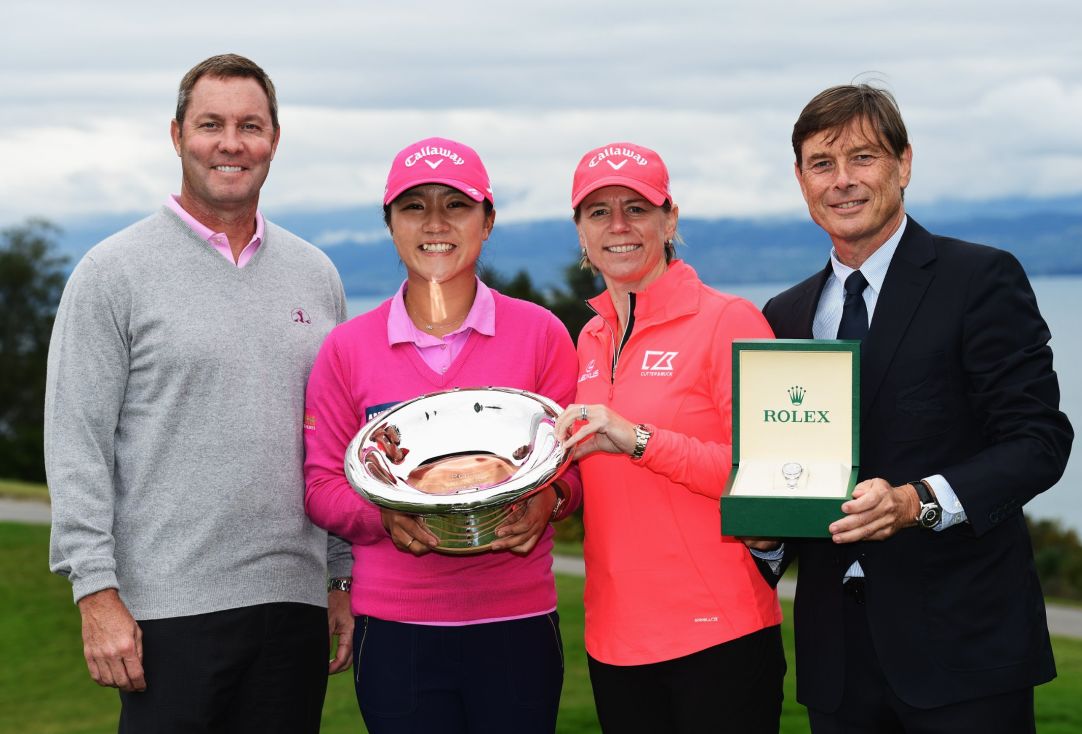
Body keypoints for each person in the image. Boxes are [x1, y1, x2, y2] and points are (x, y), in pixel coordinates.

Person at [45, 54, 352, 733]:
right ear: (177, 133)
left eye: (250, 125)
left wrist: (339, 578)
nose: (231, 143)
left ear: (275, 138)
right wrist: (95, 593)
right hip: (166, 615)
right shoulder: (112, 274)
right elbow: (77, 444)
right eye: (211, 124)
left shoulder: (316, 275)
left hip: (292, 607)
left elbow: (331, 437)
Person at [756, 83, 1074, 733]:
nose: (842, 181)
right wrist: (767, 540)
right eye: (823, 163)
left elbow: (1039, 441)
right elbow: (794, 473)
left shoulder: (981, 280)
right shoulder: (784, 316)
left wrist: (917, 501)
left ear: (904, 164)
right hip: (836, 660)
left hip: (964, 652)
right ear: (800, 179)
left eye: (863, 158)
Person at [302, 136, 581, 734]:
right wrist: (382, 516)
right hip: (397, 629)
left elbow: (574, 465)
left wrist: (551, 500)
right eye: (414, 206)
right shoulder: (346, 349)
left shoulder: (541, 334)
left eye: (455, 205)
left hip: (517, 622)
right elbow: (322, 484)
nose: (435, 223)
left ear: (487, 221)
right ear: (390, 224)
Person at [553, 142, 786, 734]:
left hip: (719, 635)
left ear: (670, 219)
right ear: (580, 231)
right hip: (615, 640)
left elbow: (773, 477)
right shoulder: (590, 339)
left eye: (636, 207)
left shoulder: (728, 320)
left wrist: (637, 439)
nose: (619, 225)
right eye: (598, 212)